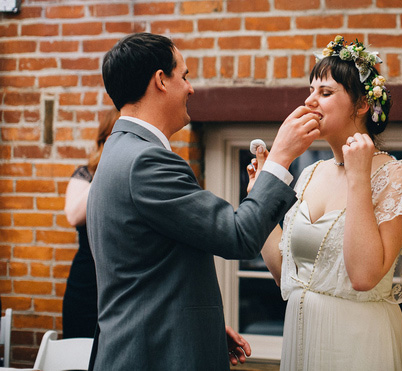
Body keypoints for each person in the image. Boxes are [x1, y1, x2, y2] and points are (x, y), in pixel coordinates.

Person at [86, 32, 320, 371]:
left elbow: (148, 270)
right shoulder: (146, 162)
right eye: (185, 76)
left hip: (151, 343)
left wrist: (197, 327)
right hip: (153, 357)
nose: (191, 88)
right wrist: (280, 156)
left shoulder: (118, 152)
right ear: (161, 81)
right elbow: (238, 235)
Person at [252, 35, 402, 370]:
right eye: (310, 91)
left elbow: (363, 276)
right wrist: (258, 197)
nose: (310, 101)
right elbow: (288, 274)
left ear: (361, 106)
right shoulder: (311, 172)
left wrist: (358, 177)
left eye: (325, 93)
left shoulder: (395, 175)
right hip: (304, 337)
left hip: (358, 344)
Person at [62, 108, 119, 339]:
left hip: (120, 283)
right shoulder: (85, 175)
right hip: (86, 284)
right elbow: (73, 216)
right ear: (105, 139)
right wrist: (107, 170)